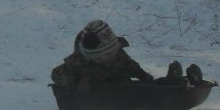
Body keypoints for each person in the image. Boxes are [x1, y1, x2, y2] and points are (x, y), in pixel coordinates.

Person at [51, 20, 204, 89]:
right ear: (89, 56)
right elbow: (57, 74)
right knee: (130, 90)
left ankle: (177, 82)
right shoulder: (78, 62)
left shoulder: (118, 55)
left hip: (120, 85)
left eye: (111, 54)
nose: (108, 59)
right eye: (102, 57)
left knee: (146, 88)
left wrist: (144, 76)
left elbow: (132, 67)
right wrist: (76, 82)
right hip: (100, 92)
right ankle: (175, 86)